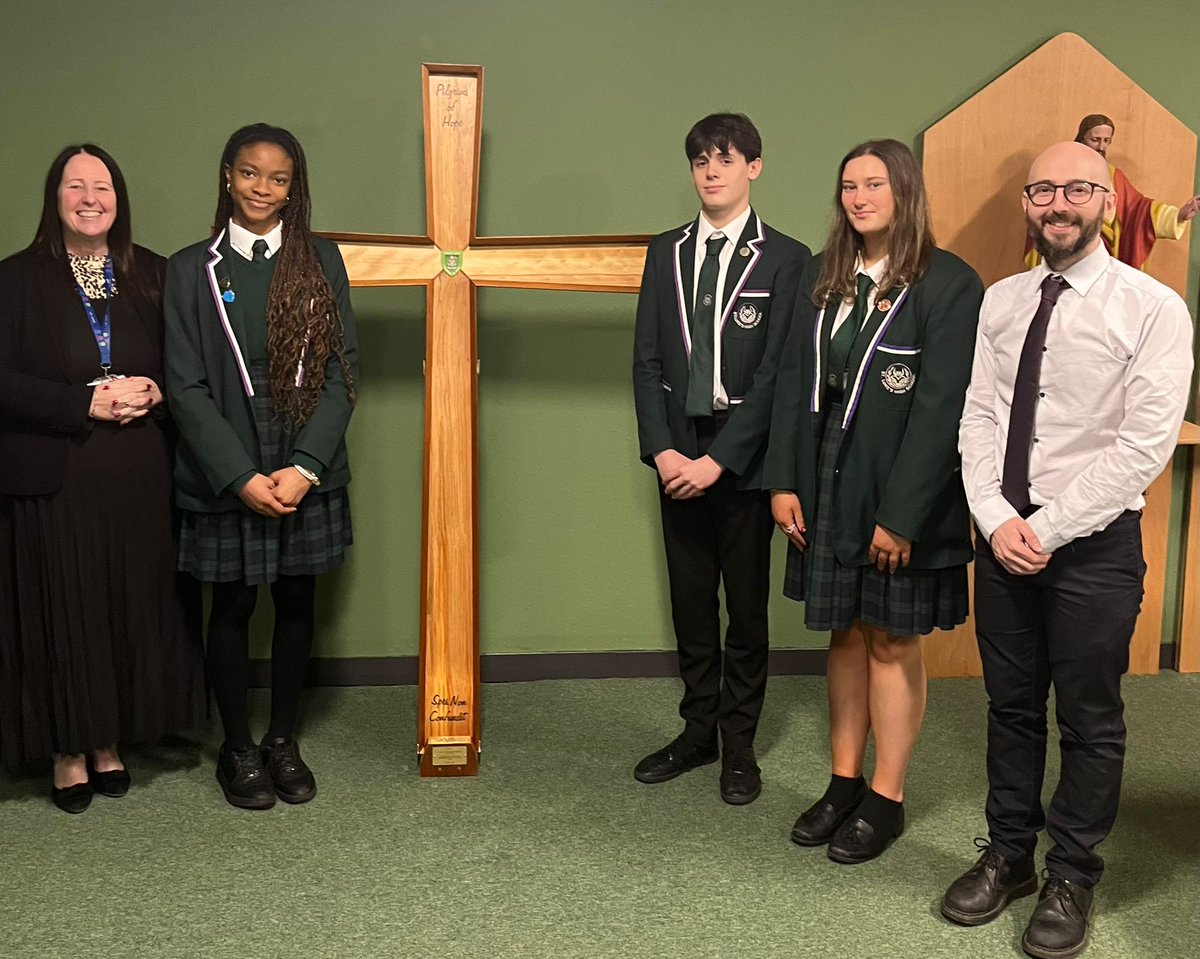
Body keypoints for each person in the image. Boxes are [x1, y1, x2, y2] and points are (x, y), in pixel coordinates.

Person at [946, 141, 1192, 959]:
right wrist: (993, 516)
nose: (1059, 203)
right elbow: (979, 413)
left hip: (1092, 548)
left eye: (1078, 189)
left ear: (1109, 203)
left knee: (1089, 715)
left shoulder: (1153, 308)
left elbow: (1143, 446)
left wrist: (1044, 529)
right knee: (1011, 705)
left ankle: (1072, 872)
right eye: (1044, 189)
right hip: (1002, 536)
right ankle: (1010, 853)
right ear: (1027, 203)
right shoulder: (1002, 300)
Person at [764, 139, 983, 863]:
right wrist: (784, 481)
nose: (859, 198)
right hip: (825, 471)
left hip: (900, 482)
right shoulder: (823, 275)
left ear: (905, 191)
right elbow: (793, 384)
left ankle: (886, 798)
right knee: (845, 633)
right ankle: (843, 782)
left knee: (890, 637)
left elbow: (942, 410)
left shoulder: (949, 283)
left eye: (875, 184)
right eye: (849, 186)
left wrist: (901, 516)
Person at [0, 144, 204, 813]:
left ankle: (110, 738)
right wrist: (79, 404)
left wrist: (156, 390)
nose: (90, 198)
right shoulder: (15, 280)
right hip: (57, 479)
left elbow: (190, 366)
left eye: (103, 186)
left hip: (140, 477)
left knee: (126, 607)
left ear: (119, 199)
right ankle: (68, 749)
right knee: (67, 611)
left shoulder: (152, 272)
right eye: (75, 186)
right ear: (53, 198)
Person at [164, 123, 359, 811]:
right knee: (234, 601)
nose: (262, 189)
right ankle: (238, 748)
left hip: (304, 457)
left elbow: (341, 371)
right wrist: (239, 475)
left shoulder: (321, 260)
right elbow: (184, 386)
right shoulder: (189, 268)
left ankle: (281, 739)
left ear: (293, 188)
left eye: (278, 179)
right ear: (227, 175)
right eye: (250, 173)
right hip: (229, 459)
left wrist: (305, 467)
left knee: (298, 598)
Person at [631, 113, 809, 805]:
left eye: (726, 159)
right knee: (691, 602)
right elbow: (647, 361)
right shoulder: (665, 252)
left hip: (743, 458)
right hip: (678, 452)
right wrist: (664, 450)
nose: (712, 171)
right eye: (701, 160)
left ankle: (739, 745)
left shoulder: (787, 258)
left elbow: (777, 375)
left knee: (746, 608)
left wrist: (721, 462)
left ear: (753, 168)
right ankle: (697, 730)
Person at [1023, 114, 1200, 271]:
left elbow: (1139, 209)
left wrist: (1178, 216)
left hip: (1102, 257)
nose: (1101, 146)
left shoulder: (1113, 175)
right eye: (1095, 139)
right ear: (1082, 138)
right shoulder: (1060, 169)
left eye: (1106, 140)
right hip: (1062, 247)